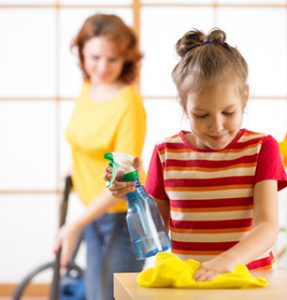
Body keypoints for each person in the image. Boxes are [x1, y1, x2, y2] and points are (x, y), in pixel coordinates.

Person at [105, 28, 287, 282]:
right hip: (189, 282)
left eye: (228, 112)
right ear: (184, 104)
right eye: (201, 115)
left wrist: (227, 261)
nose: (216, 126)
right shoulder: (166, 153)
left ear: (244, 97)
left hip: (248, 280)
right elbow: (156, 230)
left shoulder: (261, 148)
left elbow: (267, 227)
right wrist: (132, 191)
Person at [54, 14, 145, 300]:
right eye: (95, 57)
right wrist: (75, 170)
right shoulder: (89, 88)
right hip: (92, 212)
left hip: (121, 219)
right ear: (81, 51)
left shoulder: (129, 104)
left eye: (113, 60)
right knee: (95, 293)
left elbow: (122, 183)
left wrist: (75, 225)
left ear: (126, 59)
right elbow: (86, 141)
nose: (102, 67)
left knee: (109, 296)